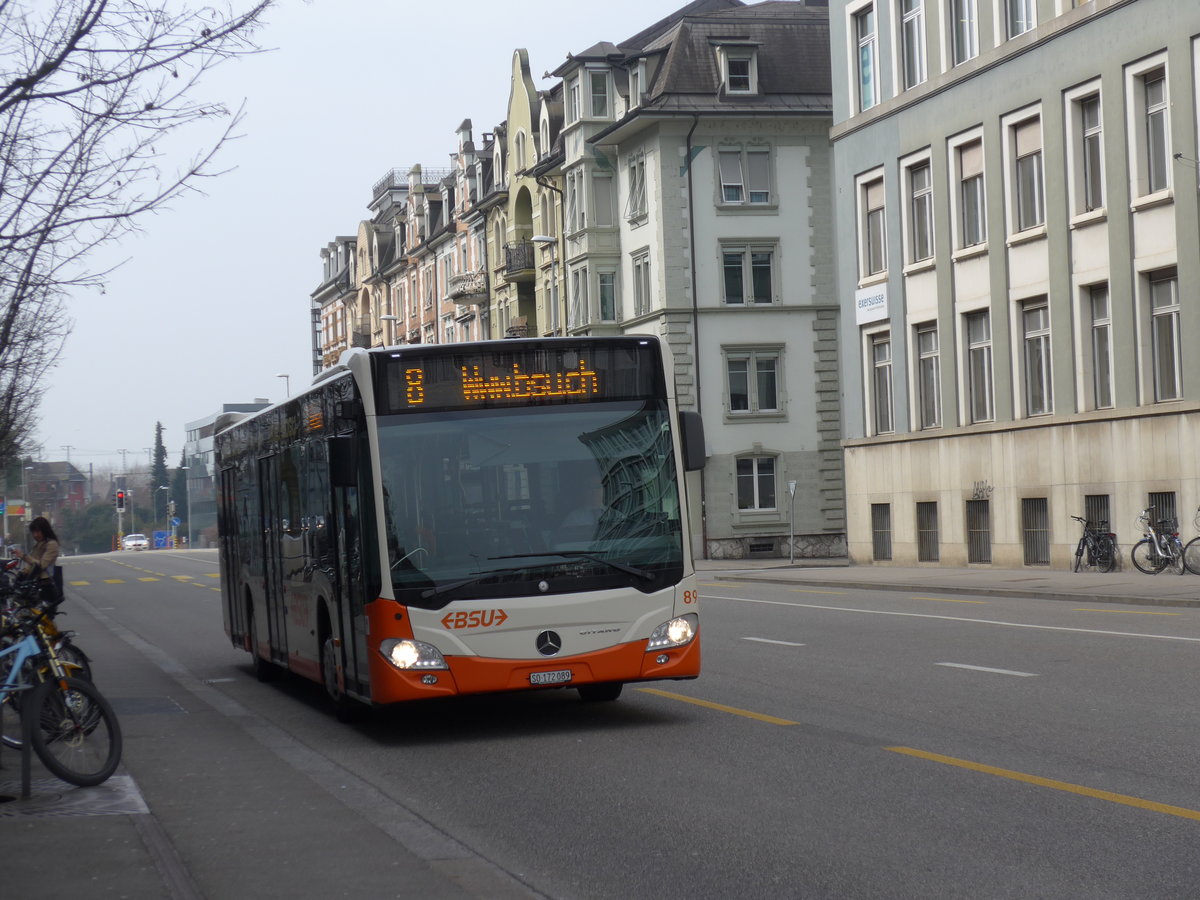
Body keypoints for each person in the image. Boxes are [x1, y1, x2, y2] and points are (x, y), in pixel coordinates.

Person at [12, 516, 61, 605]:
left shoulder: (52, 544)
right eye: (33, 532)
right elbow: (32, 562)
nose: (35, 535)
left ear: (45, 530)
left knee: (44, 617)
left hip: (46, 586)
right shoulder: (39, 544)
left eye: (38, 531)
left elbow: (41, 565)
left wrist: (23, 556)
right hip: (36, 584)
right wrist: (24, 572)